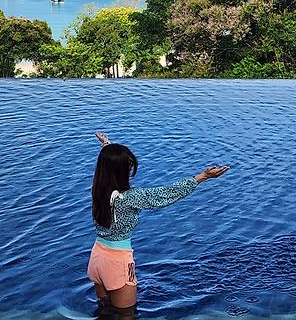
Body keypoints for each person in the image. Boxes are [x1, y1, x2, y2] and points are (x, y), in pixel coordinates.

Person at [88, 132, 229, 315]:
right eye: (128, 167)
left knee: (104, 310)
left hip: (97, 258)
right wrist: (202, 177)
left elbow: (106, 164)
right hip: (118, 263)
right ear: (121, 171)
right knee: (127, 314)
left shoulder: (97, 188)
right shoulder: (131, 197)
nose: (130, 171)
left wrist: (106, 145)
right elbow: (166, 194)